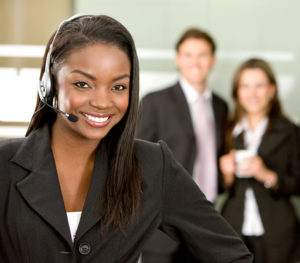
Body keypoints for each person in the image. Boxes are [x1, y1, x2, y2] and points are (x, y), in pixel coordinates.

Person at [0, 15, 252, 263]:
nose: (102, 102)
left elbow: (233, 256)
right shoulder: (5, 165)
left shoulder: (153, 166)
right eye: (83, 84)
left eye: (118, 87)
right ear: (51, 81)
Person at [136, 28, 228, 262]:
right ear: (178, 59)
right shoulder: (155, 102)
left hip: (205, 220)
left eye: (202, 55)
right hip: (163, 224)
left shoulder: (220, 106)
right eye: (188, 55)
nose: (195, 62)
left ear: (212, 60)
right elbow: (136, 159)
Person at [219, 58, 300, 263]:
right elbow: (218, 186)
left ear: (272, 90)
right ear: (237, 92)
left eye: (259, 85)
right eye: (245, 86)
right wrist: (226, 174)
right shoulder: (227, 130)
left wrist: (268, 175)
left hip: (278, 232)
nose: (252, 93)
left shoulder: (290, 131)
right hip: (234, 227)